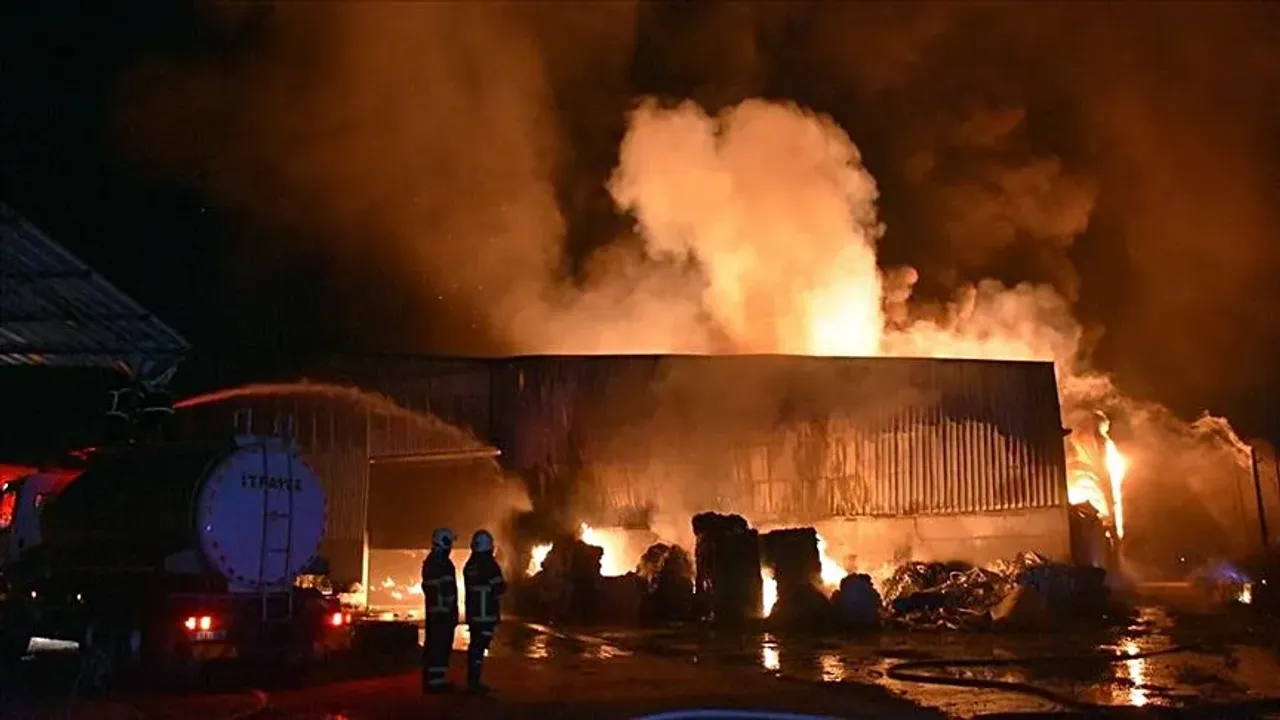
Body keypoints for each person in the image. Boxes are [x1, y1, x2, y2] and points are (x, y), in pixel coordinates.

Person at [463, 529, 507, 694]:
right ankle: (474, 684)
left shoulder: (470, 565)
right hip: (486, 614)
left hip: (474, 614)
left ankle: (472, 681)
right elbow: (499, 587)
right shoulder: (489, 565)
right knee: (479, 648)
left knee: (475, 647)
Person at [420, 527, 459, 694]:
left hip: (434, 612)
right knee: (440, 647)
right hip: (443, 613)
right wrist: (453, 612)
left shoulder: (430, 561)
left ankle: (432, 681)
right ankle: (436, 683)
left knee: (434, 645)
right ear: (445, 542)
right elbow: (448, 590)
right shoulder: (443, 563)